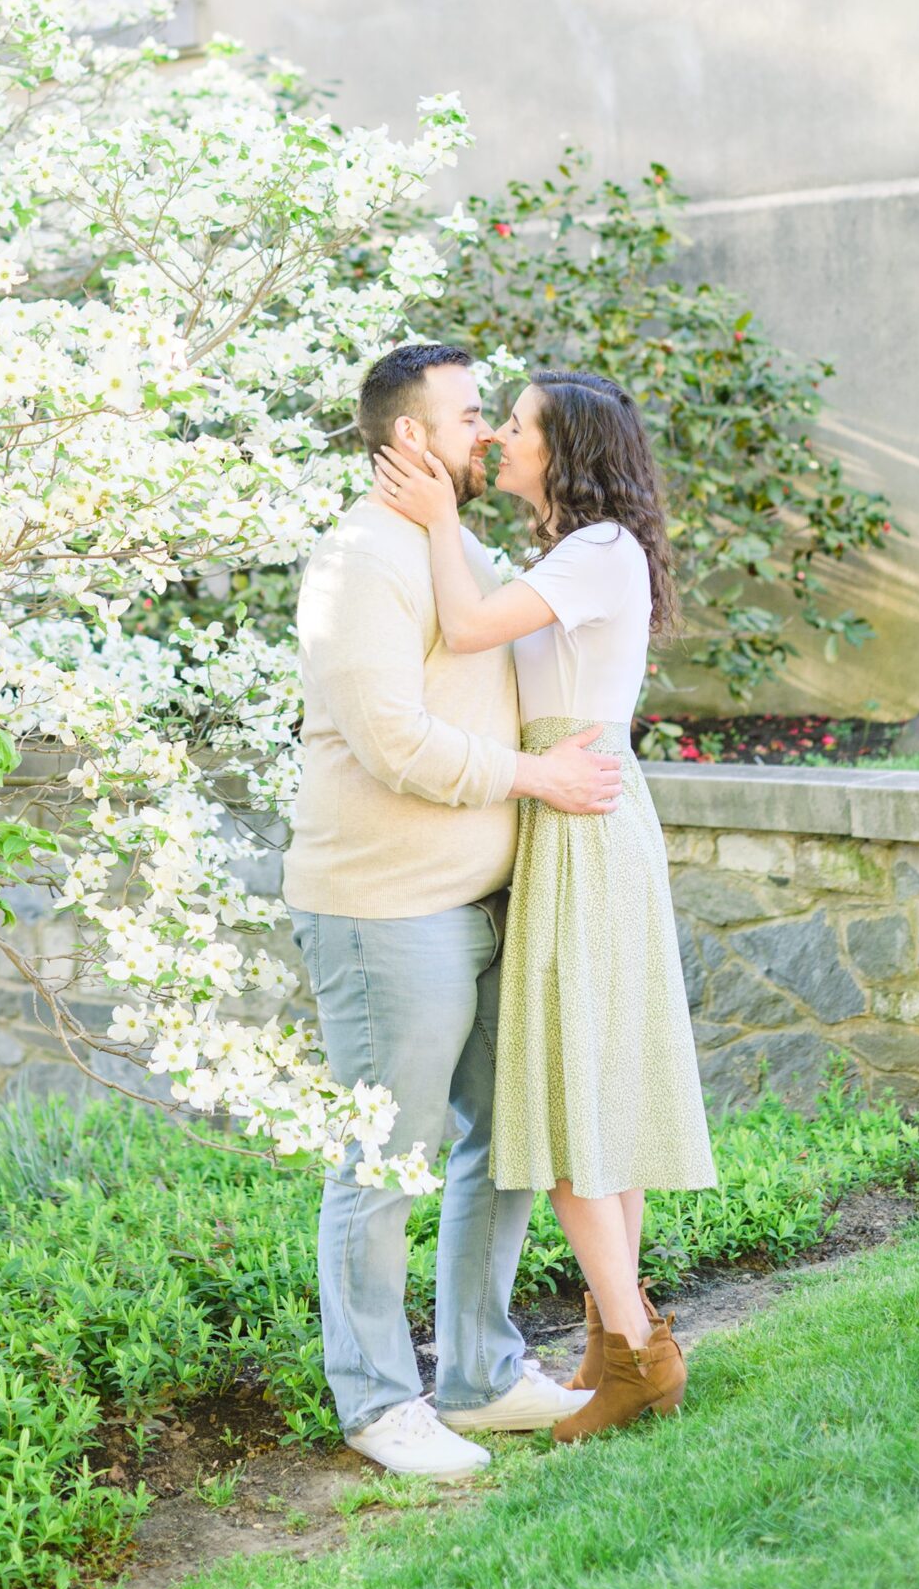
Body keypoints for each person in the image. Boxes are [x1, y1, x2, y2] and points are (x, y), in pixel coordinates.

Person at [282, 343, 624, 1479]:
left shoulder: (448, 540)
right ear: (410, 438)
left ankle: (478, 1375)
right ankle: (379, 1401)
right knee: (385, 1160)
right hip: (388, 911)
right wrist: (536, 780)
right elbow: (393, 743)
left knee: (506, 1145)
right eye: (472, 415)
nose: (488, 432)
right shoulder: (354, 563)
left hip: (486, 899)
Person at [377, 368, 715, 1442]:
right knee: (593, 1093)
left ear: (561, 449)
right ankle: (618, 1337)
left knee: (570, 1109)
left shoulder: (595, 551)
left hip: (580, 828)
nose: (499, 438)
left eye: (515, 426)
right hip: (575, 818)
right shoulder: (579, 553)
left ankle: (636, 1355)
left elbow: (470, 627)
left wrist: (433, 515)